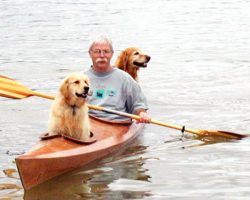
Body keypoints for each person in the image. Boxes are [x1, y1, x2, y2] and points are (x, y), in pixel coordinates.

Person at [84, 36, 151, 123]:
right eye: (97, 51)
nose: (102, 55)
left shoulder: (125, 78)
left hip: (116, 123)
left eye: (106, 51)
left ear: (111, 54)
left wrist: (142, 113)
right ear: (90, 54)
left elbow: (139, 105)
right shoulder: (80, 78)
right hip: (89, 121)